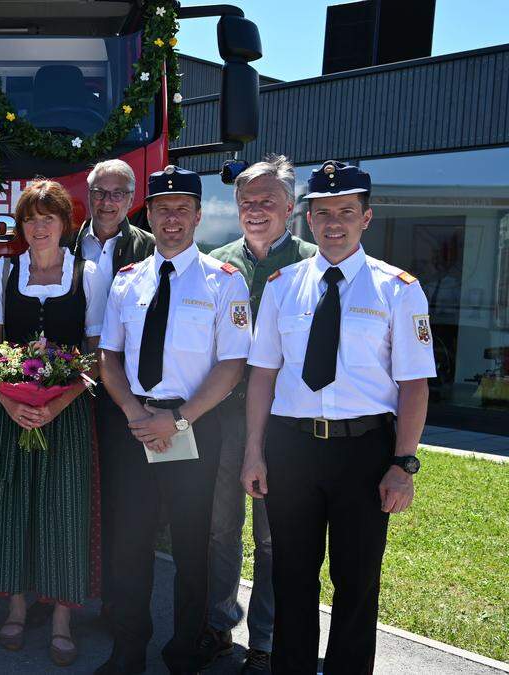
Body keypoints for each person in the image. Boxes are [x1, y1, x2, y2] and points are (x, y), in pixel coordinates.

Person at [242, 161, 433, 674]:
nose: (333, 223)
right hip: (292, 448)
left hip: (364, 452)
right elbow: (262, 375)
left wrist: (404, 463)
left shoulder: (398, 288)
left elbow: (415, 385)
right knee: (293, 577)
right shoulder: (283, 285)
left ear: (366, 217)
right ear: (306, 217)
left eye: (346, 211)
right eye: (322, 212)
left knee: (357, 580)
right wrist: (254, 451)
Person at [95, 166, 251, 675]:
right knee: (129, 544)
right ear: (150, 215)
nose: (173, 218)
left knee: (192, 547)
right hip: (135, 424)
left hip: (195, 427)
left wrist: (178, 420)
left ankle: (184, 653)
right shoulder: (127, 280)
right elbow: (108, 358)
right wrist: (136, 413)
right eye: (163, 209)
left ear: (200, 215)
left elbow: (232, 365)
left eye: (183, 208)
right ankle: (127, 651)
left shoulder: (225, 282)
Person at [0, 179, 108, 667]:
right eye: (30, 218)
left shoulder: (88, 273)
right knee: (13, 506)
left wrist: (56, 404)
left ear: (66, 224)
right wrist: (8, 400)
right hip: (10, 410)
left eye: (49, 218)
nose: (39, 227)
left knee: (62, 512)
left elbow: (96, 356)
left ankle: (63, 619)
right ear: (20, 226)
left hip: (66, 414)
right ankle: (18, 608)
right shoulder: (4, 271)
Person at [202, 155, 317, 673]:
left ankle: (266, 641)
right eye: (246, 202)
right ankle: (218, 627)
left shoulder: (317, 263)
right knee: (220, 526)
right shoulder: (216, 262)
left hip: (288, 424)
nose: (255, 209)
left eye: (267, 200)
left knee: (273, 537)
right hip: (225, 418)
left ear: (290, 207)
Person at [68, 159, 155, 623]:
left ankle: (115, 604)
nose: (108, 201)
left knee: (119, 497)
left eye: (119, 193)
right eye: (100, 191)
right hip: (67, 379)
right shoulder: (63, 239)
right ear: (88, 194)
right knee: (68, 490)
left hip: (121, 383)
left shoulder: (149, 247)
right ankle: (58, 593)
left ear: (132, 198)